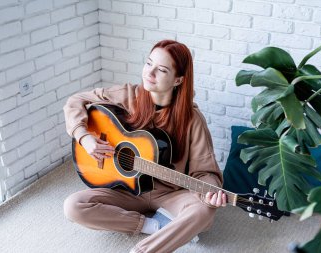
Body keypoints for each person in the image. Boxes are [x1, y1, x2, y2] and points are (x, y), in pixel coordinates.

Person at [63, 39, 226, 253]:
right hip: (126, 189)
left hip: (170, 192)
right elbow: (77, 101)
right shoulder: (128, 95)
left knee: (204, 212)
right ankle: (153, 225)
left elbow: (205, 171)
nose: (150, 73)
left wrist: (210, 190)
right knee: (73, 206)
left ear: (178, 80)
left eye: (161, 70)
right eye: (149, 64)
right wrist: (84, 137)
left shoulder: (192, 119)